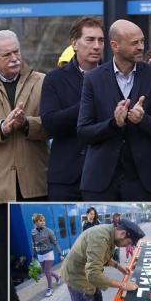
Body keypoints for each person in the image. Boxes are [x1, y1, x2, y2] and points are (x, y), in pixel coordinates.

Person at [77, 19, 151, 201]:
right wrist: (114, 123)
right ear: (115, 45)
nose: (141, 47)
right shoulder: (93, 79)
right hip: (101, 182)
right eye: (134, 43)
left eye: (142, 41)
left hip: (146, 182)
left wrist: (143, 120)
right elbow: (84, 131)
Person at [41, 17, 105, 201]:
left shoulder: (113, 77)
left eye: (100, 40)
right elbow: (50, 123)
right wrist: (85, 106)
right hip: (65, 179)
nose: (96, 46)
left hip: (103, 176)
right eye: (90, 39)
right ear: (74, 43)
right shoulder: (55, 79)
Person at [61, 218, 144, 301]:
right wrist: (123, 285)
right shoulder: (100, 238)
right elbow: (93, 275)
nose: (126, 246)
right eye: (128, 243)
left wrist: (118, 266)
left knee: (97, 299)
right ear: (123, 233)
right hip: (76, 276)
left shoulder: (111, 234)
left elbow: (102, 255)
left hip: (87, 271)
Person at [0, 30, 48, 205]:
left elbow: (53, 125)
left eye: (16, 51)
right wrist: (3, 128)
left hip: (35, 184)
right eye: (6, 54)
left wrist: (27, 124)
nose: (14, 58)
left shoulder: (43, 81)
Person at [31, 213, 64, 297]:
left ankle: (50, 288)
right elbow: (34, 244)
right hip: (40, 254)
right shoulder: (33, 232)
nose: (43, 222)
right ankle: (57, 277)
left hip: (48, 253)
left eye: (43, 220)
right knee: (46, 271)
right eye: (40, 220)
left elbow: (55, 243)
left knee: (46, 271)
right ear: (35, 222)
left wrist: (60, 254)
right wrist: (34, 256)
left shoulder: (49, 231)